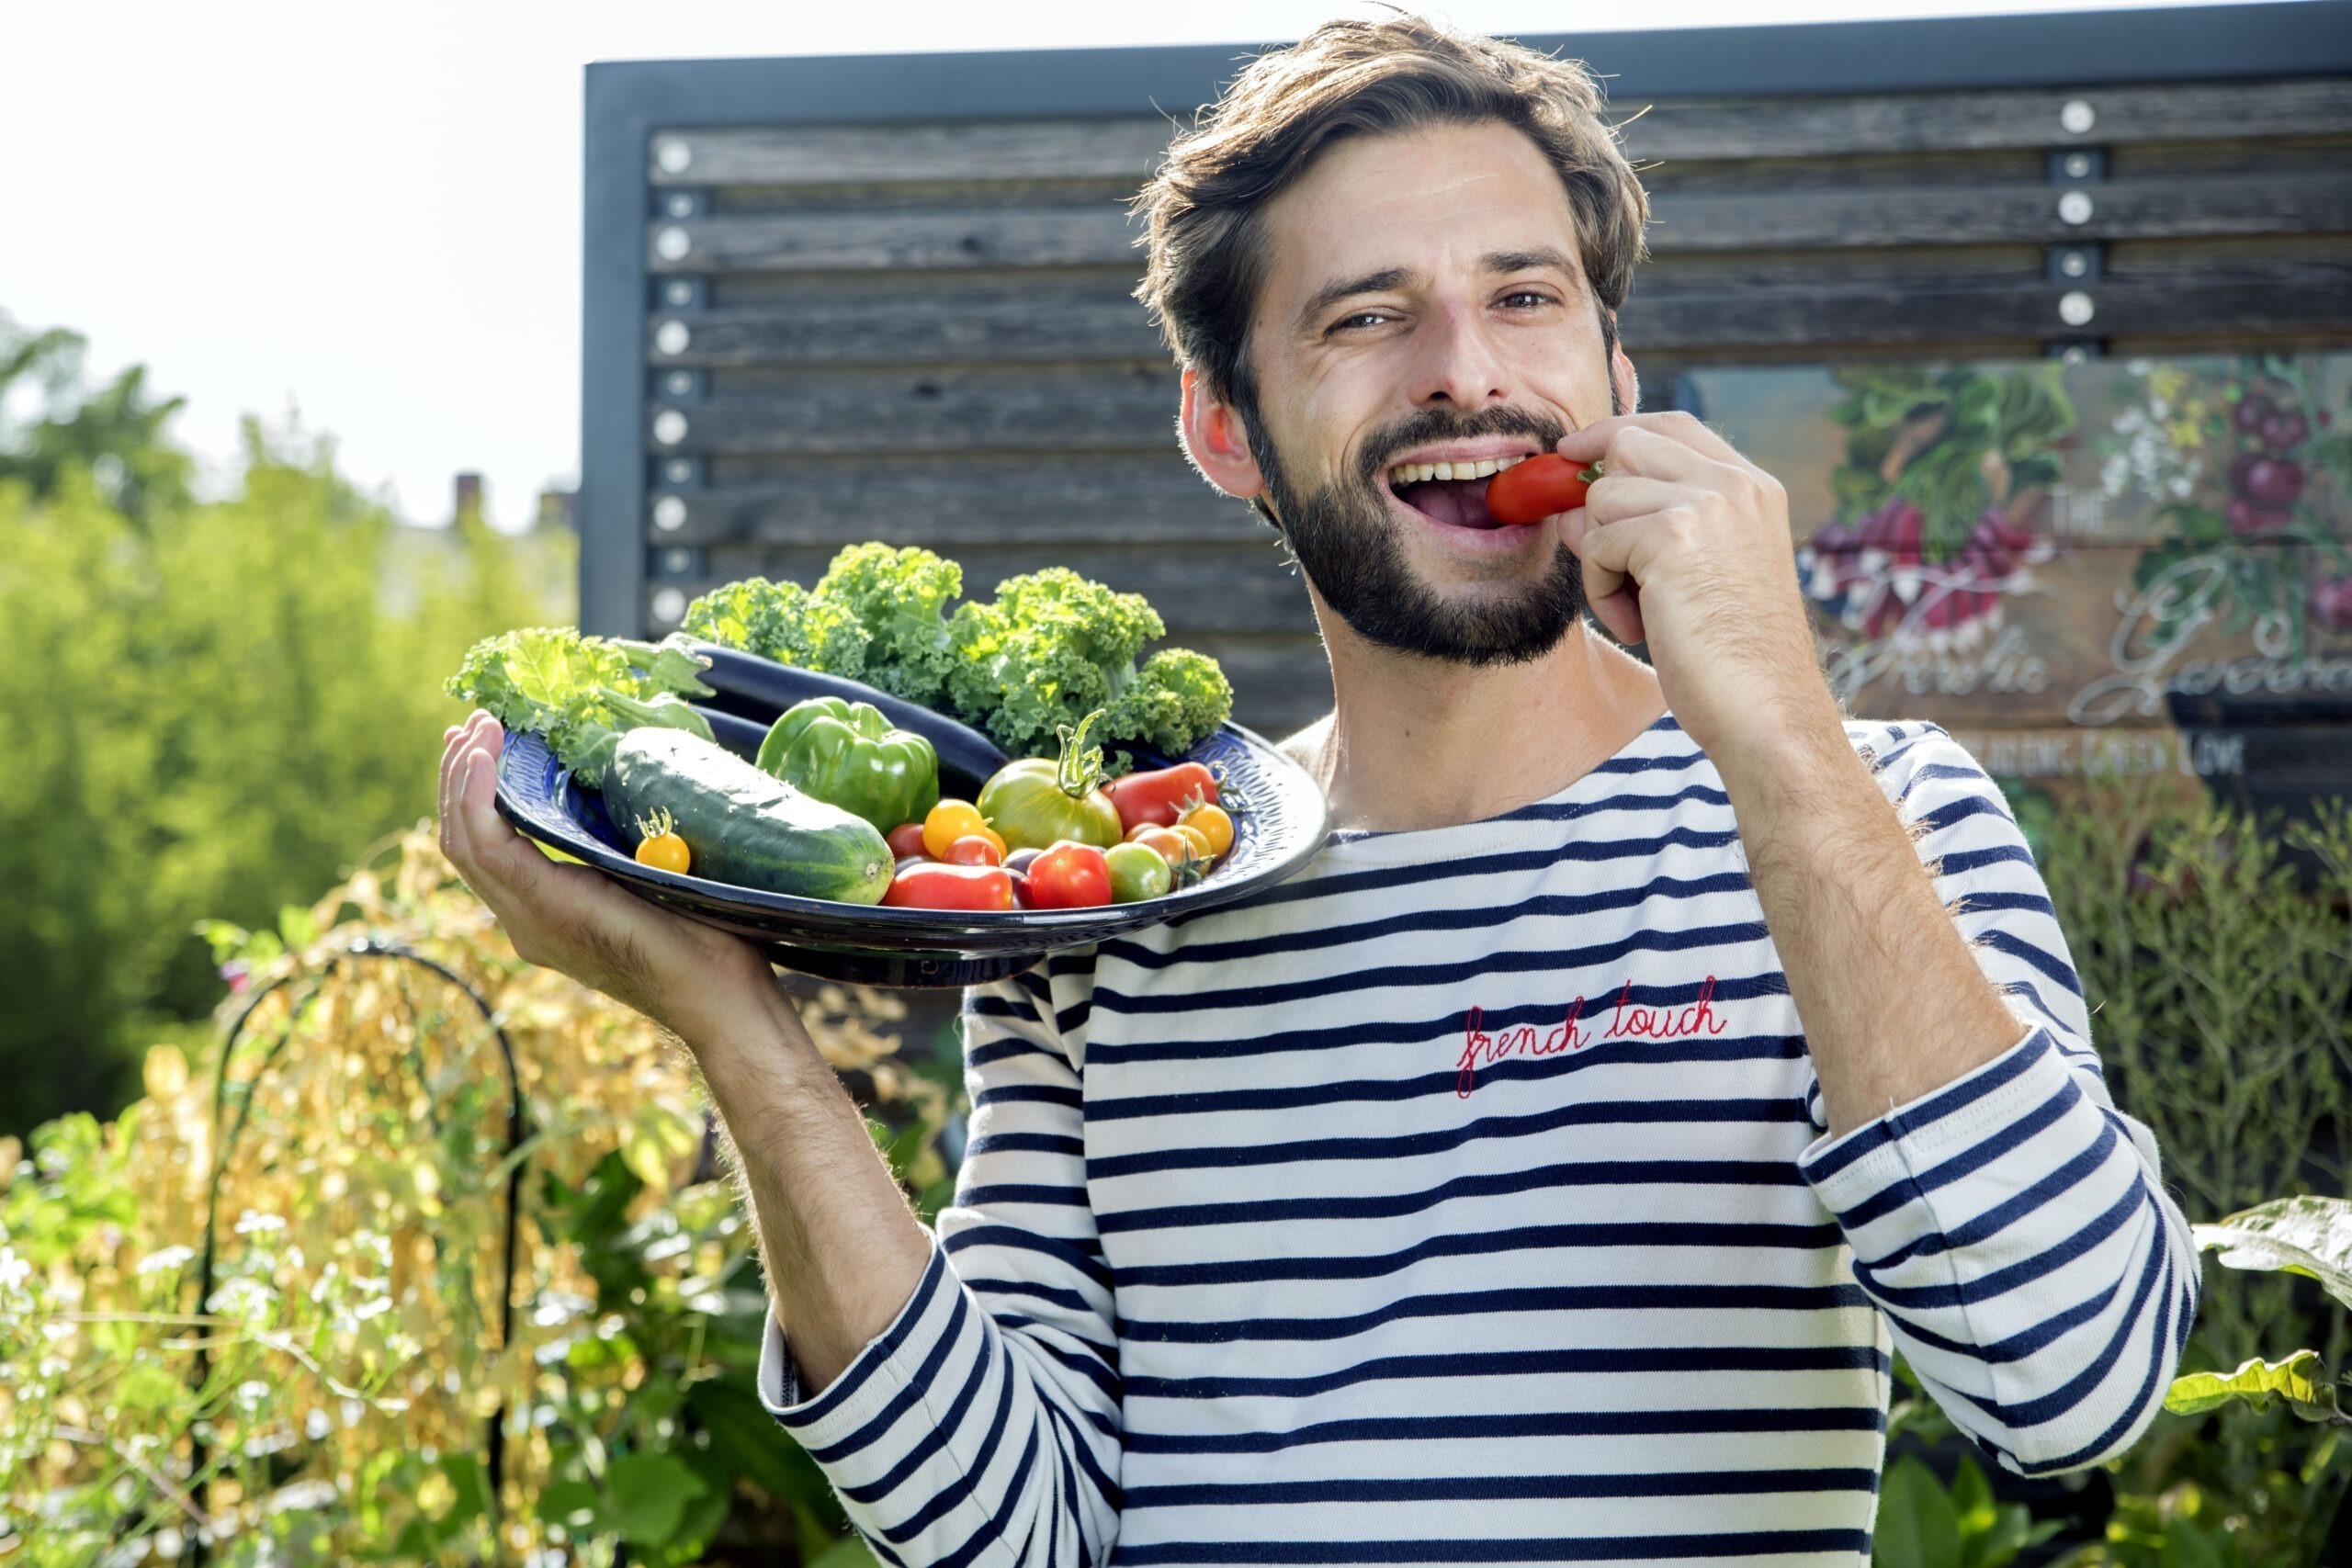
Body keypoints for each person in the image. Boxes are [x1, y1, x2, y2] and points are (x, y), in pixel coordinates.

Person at [438, 17, 2195, 1563]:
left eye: (1526, 297)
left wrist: (1782, 735)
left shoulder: (1876, 813)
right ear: (1225, 429)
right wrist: (738, 1033)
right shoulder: (1123, 896)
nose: (1468, 371)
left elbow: (2073, 1380)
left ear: (1615, 378)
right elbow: (1014, 1534)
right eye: (1369, 316)